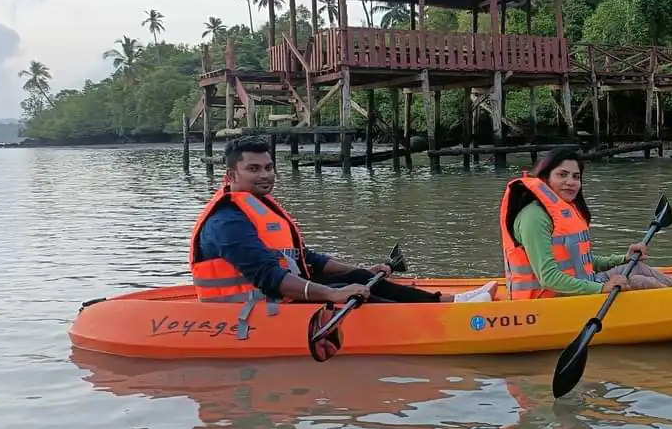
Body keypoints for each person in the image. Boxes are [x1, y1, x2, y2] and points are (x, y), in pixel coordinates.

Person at [189, 136, 497, 318]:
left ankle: (449, 302)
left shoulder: (259, 207)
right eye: (253, 169)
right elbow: (269, 277)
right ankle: (441, 319)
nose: (265, 175)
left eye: (269, 167)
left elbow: (304, 259)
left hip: (275, 299)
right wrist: (334, 295)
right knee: (354, 293)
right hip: (248, 314)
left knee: (361, 277)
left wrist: (361, 269)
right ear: (231, 175)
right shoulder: (226, 220)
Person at [498, 148, 672, 300]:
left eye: (576, 176)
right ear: (545, 178)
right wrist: (601, 288)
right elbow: (548, 279)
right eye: (562, 175)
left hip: (578, 288)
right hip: (546, 300)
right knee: (639, 281)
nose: (570, 182)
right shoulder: (534, 217)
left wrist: (623, 258)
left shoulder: (566, 210)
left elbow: (583, 263)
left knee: (637, 267)